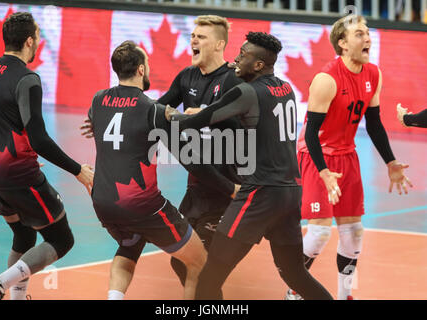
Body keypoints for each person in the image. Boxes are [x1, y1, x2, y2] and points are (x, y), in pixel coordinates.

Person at [166, 32, 333, 300]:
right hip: (290, 192)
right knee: (295, 274)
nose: (236, 60)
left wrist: (162, 114)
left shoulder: (246, 92)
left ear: (258, 65)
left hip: (260, 194)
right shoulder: (286, 89)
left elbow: (197, 121)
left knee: (211, 273)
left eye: (243, 55)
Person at [81, 15, 243, 287]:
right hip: (198, 183)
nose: (193, 40)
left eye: (201, 37)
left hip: (226, 181)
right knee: (187, 262)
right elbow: (152, 107)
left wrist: (206, 114)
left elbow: (243, 121)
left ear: (219, 45)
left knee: (203, 265)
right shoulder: (186, 77)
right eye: (193, 35)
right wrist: (115, 115)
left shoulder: (232, 81)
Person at [286, 15, 413, 300]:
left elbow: (375, 123)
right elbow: (310, 134)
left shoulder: (373, 74)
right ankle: (293, 290)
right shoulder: (326, 79)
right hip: (317, 155)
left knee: (354, 231)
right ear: (342, 44)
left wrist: (391, 162)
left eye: (367, 33)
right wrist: (322, 171)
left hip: (347, 155)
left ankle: (346, 296)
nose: (367, 38)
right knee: (319, 234)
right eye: (359, 34)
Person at [0, 12, 93, 300]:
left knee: (24, 235)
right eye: (38, 36)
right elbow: (39, 139)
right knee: (61, 238)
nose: (40, 41)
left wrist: (16, 152)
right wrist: (78, 170)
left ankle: (15, 297)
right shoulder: (27, 79)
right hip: (17, 174)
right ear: (30, 41)